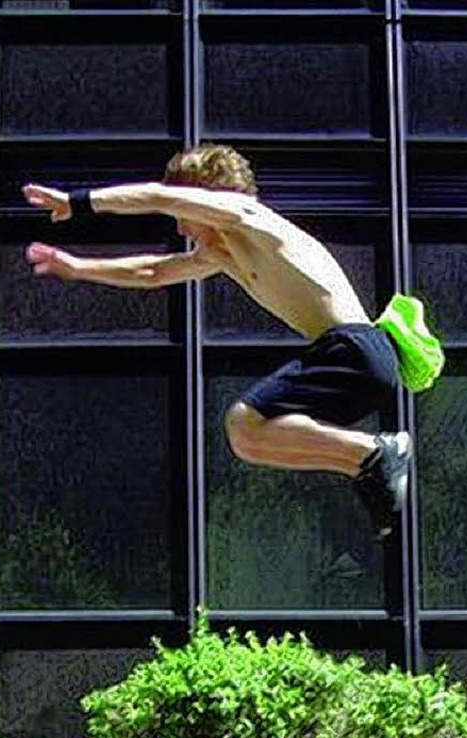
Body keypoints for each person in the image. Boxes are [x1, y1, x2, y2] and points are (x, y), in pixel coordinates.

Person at [22, 144, 443, 540]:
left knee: (244, 418)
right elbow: (153, 273)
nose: (181, 227)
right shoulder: (224, 253)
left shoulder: (248, 216)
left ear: (206, 197)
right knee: (248, 439)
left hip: (353, 348)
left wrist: (75, 201)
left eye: (185, 213)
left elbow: (157, 197)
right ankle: (366, 464)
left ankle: (378, 450)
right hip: (356, 363)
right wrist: (77, 267)